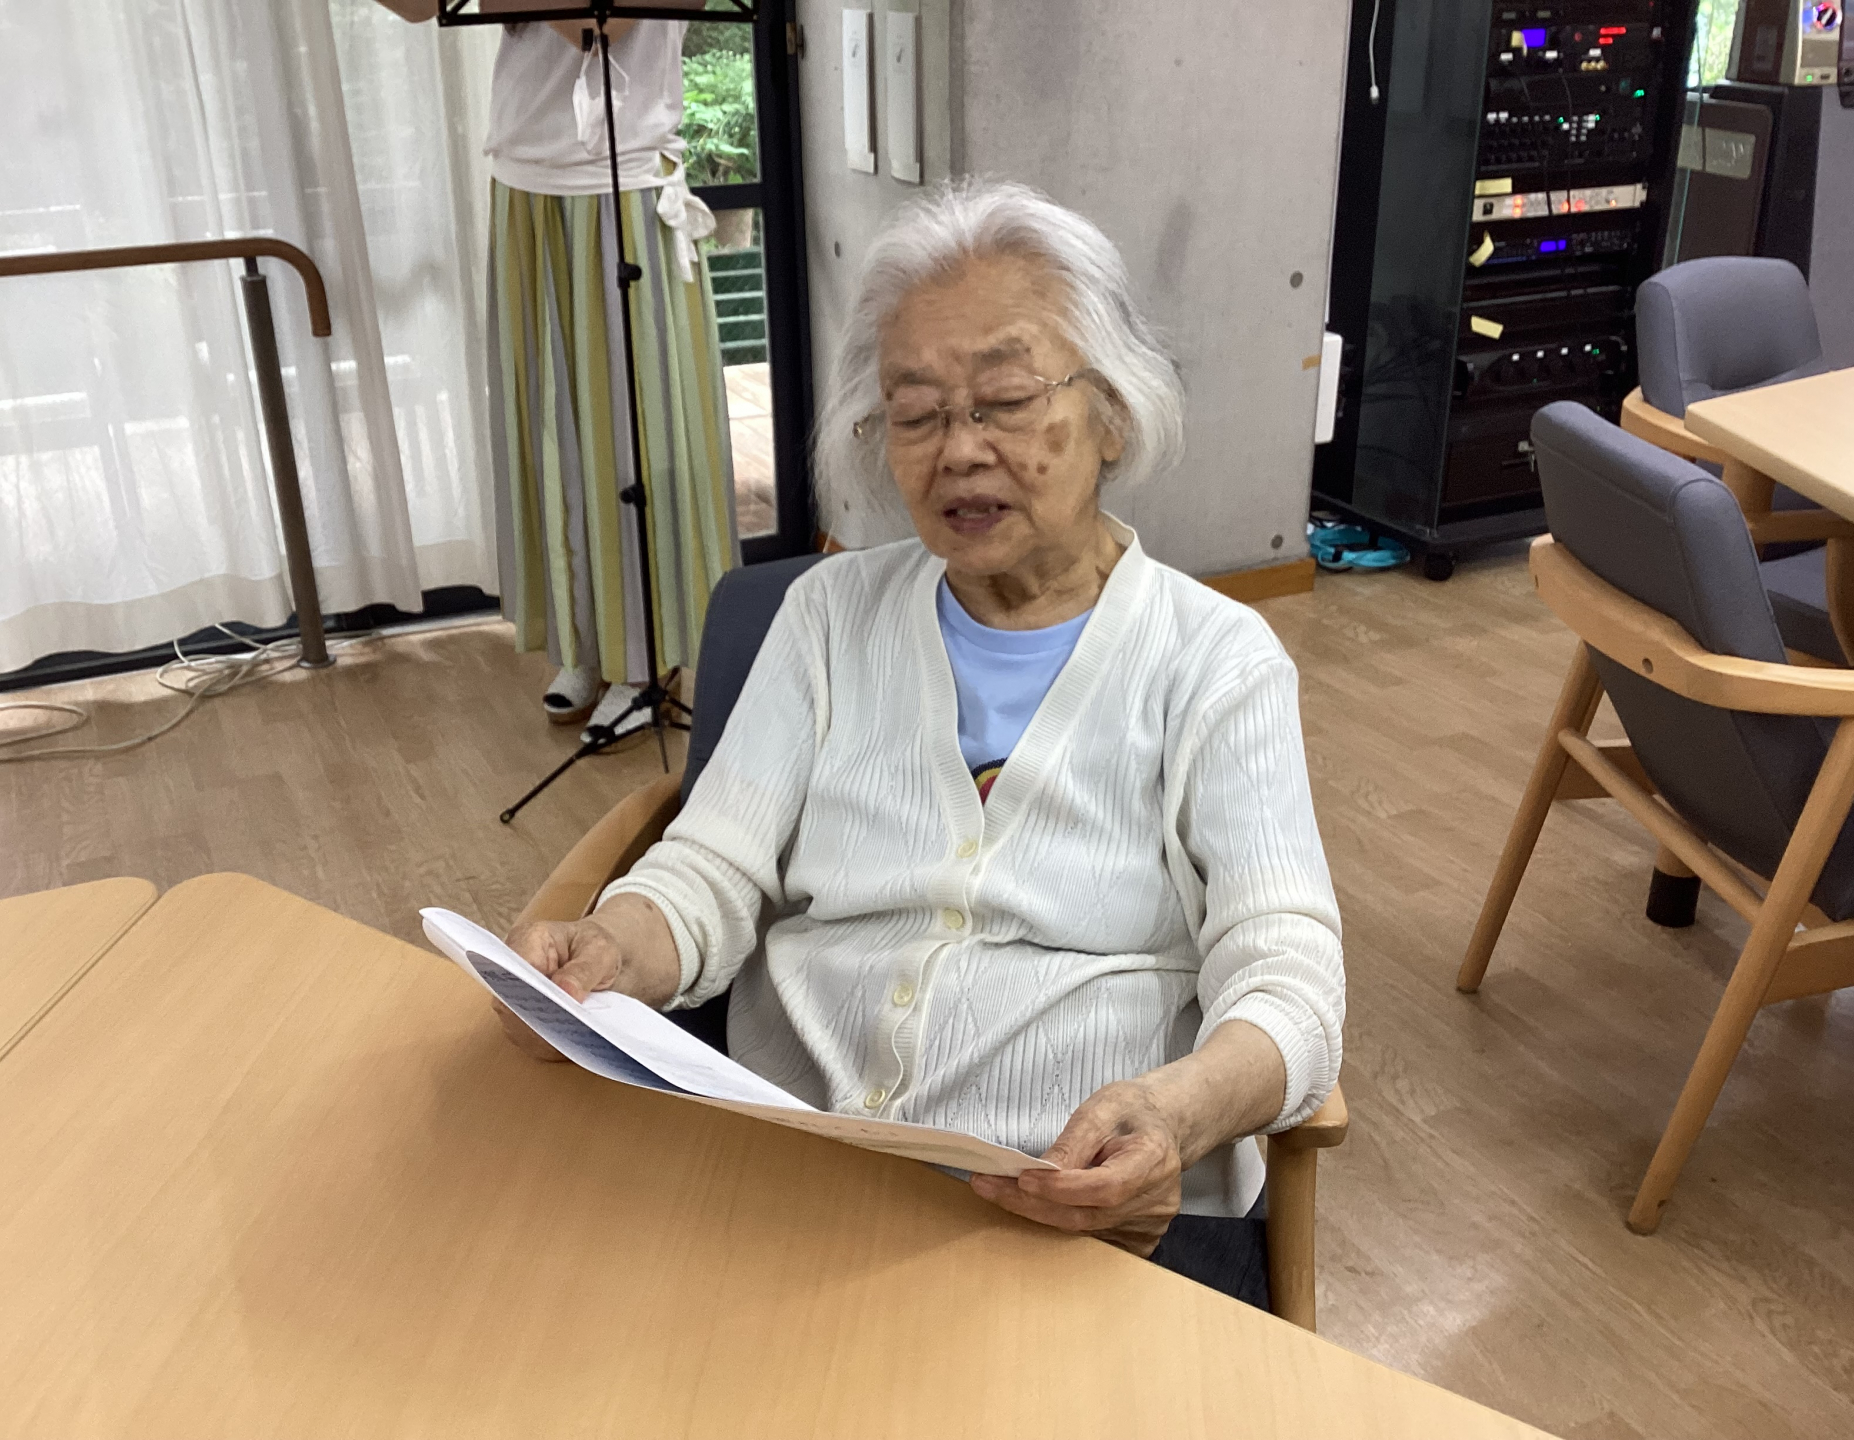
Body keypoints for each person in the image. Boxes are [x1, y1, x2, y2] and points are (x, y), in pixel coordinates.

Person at [502, 178, 1345, 1307]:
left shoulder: (1217, 662)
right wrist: (611, 946)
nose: (960, 450)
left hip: (1084, 1221)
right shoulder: (826, 616)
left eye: (1005, 400)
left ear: (1114, 413)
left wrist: (1178, 1115)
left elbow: (1288, 974)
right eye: (917, 414)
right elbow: (710, 871)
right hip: (794, 1173)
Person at [375, 0, 739, 728]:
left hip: (620, 187)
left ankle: (645, 656)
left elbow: (593, 27)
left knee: (633, 438)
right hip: (526, 180)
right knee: (552, 431)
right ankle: (588, 641)